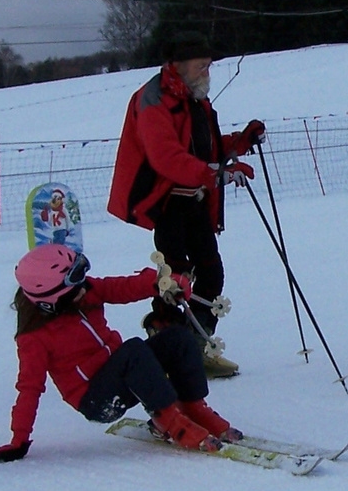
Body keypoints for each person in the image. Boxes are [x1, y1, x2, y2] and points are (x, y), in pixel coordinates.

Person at [0, 243, 242, 464]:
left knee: (178, 338)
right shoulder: (34, 337)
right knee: (133, 351)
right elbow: (29, 388)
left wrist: (162, 283)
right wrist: (18, 440)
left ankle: (193, 407)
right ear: (51, 301)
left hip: (122, 371)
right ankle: (170, 421)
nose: (85, 288)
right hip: (96, 398)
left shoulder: (84, 292)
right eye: (75, 286)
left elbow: (121, 287)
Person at [107, 33, 264, 378]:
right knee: (175, 282)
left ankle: (198, 347)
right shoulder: (153, 100)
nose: (207, 70)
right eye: (201, 64)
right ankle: (167, 357)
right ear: (177, 64)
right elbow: (166, 157)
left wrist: (240, 142)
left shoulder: (194, 99)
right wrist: (215, 174)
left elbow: (203, 150)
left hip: (195, 201)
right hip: (166, 203)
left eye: (209, 64)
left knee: (210, 274)